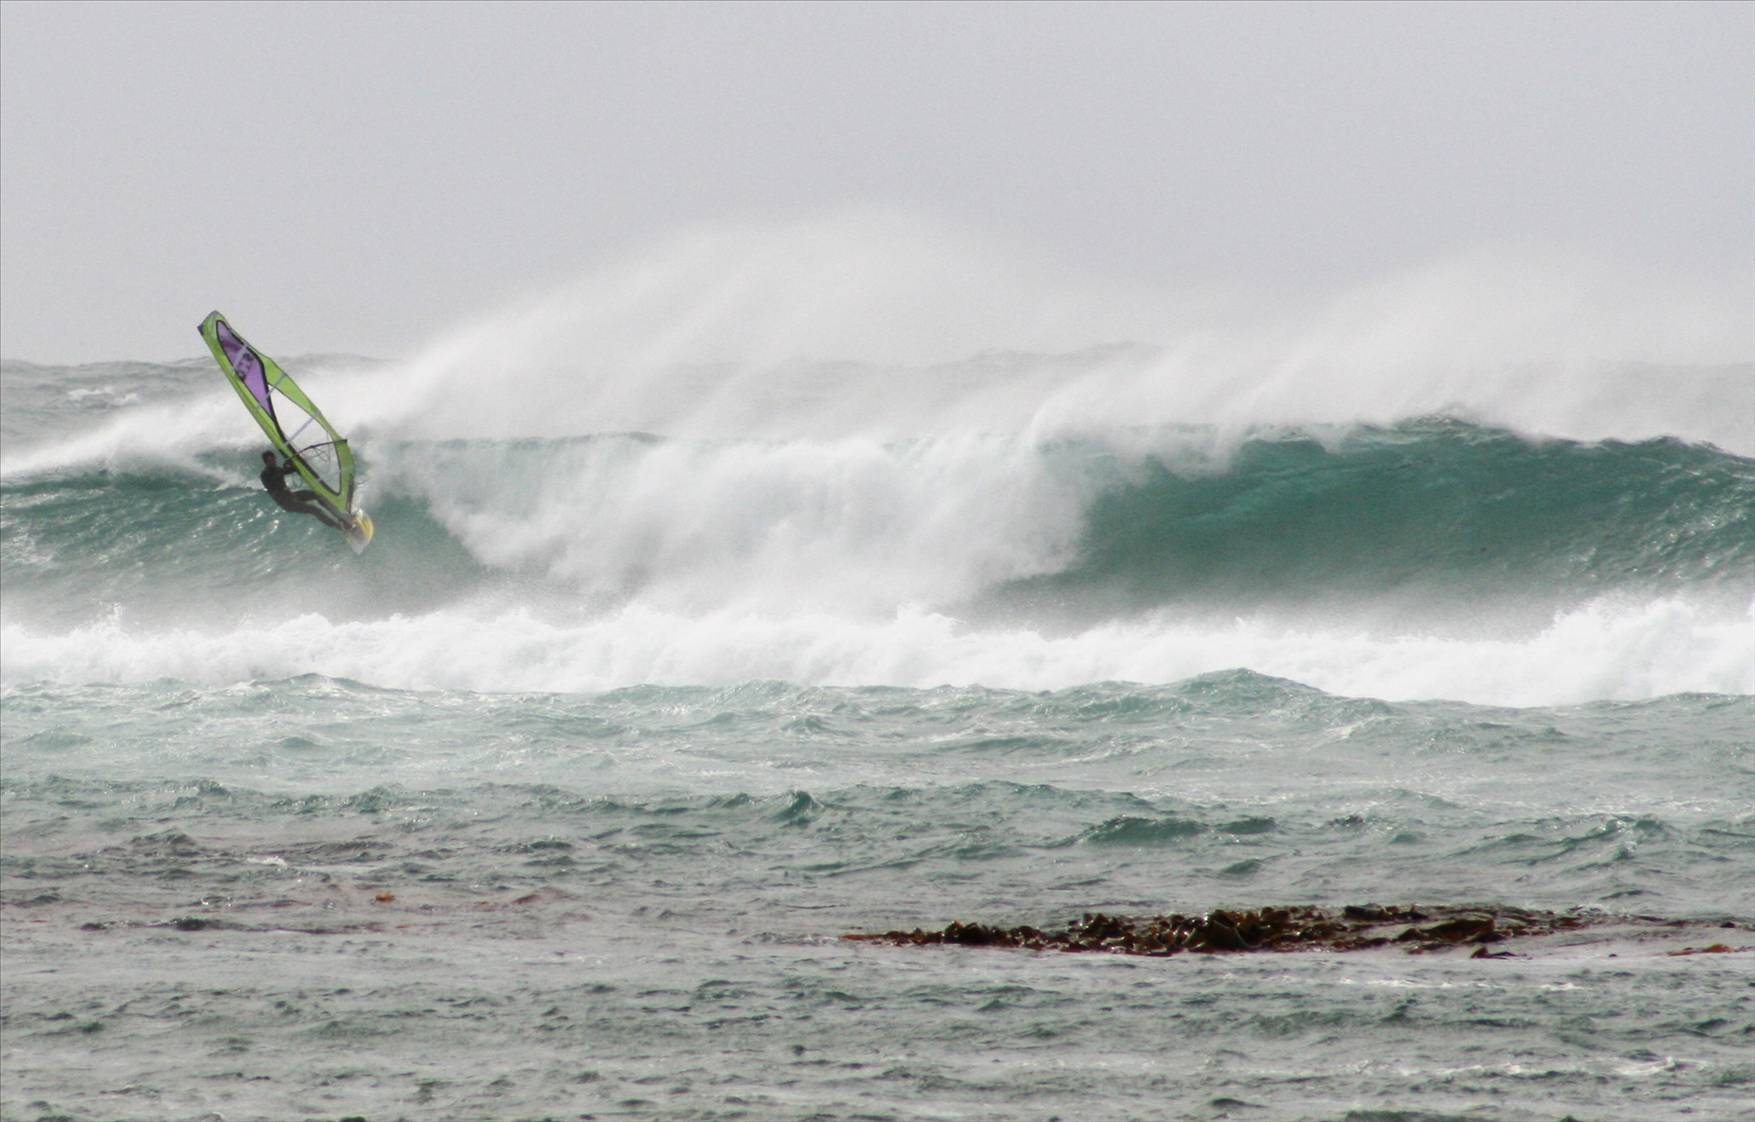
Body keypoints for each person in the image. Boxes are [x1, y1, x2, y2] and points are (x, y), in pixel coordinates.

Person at [258, 450, 352, 532]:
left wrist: (292, 463)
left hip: (292, 496)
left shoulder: (277, 469)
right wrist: (283, 471)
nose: (273, 462)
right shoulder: (265, 475)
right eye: (270, 461)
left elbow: (291, 470)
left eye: (273, 459)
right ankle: (338, 527)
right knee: (314, 510)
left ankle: (340, 517)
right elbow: (273, 485)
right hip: (286, 503)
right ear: (266, 462)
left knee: (316, 495)